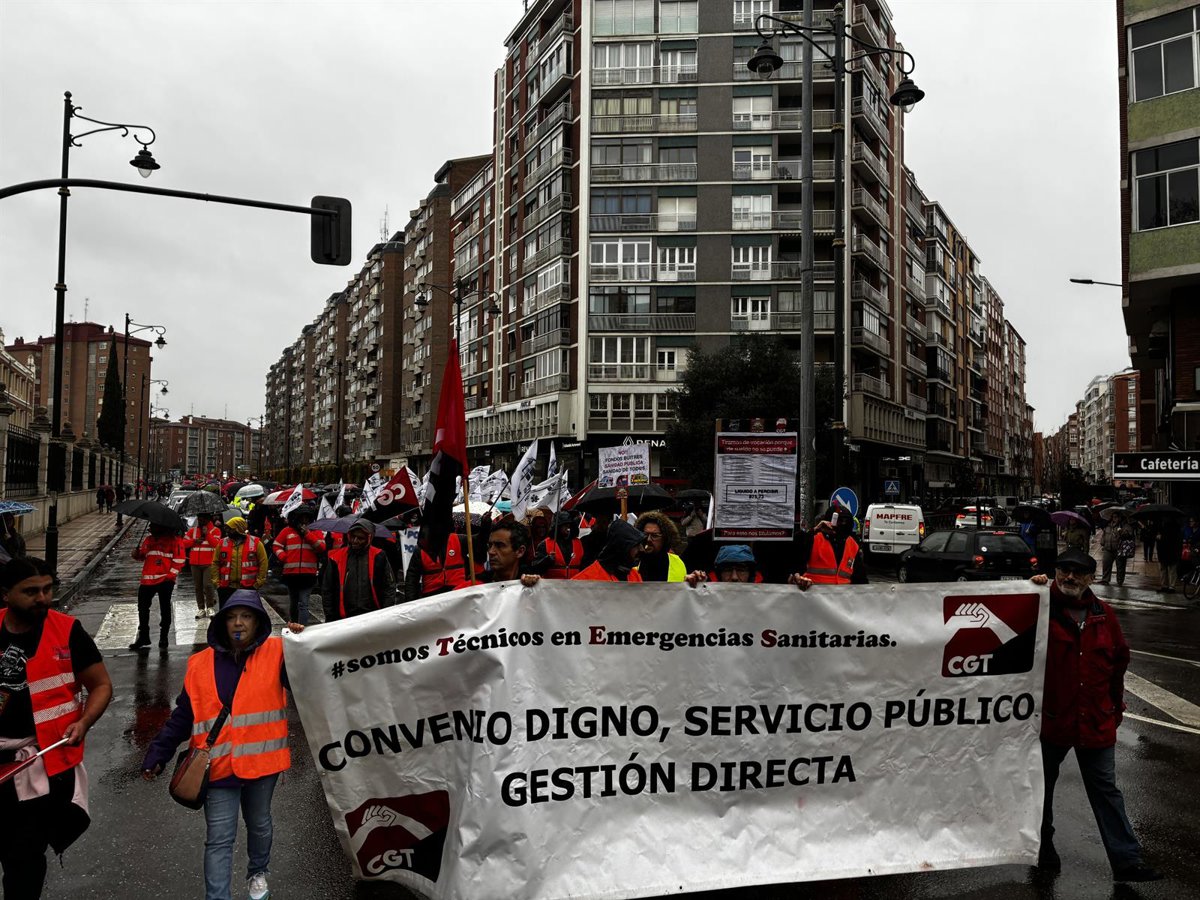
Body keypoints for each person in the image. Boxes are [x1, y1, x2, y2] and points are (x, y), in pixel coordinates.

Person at [142, 591, 302, 900]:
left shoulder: (277, 653)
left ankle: (257, 872)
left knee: (259, 825)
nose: (238, 623)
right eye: (231, 617)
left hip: (261, 763)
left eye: (247, 616)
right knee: (218, 839)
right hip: (215, 766)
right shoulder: (199, 664)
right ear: (222, 623)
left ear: (258, 622)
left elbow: (307, 678)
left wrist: (301, 644)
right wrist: (158, 752)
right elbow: (183, 715)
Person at [1030, 551, 1163, 883]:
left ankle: (1127, 862)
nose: (1070, 577)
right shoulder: (1039, 606)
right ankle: (1042, 848)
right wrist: (1027, 589)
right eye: (1064, 570)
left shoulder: (1104, 615)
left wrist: (1115, 708)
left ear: (1091, 578)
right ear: (1055, 572)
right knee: (1040, 790)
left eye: (1078, 572)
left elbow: (1118, 663)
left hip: (1095, 720)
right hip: (1051, 721)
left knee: (1106, 791)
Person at [0, 557, 113, 897]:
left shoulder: (67, 631)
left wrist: (84, 722)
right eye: (31, 591)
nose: (43, 598)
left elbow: (101, 685)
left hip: (38, 764)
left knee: (24, 857)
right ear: (5, 594)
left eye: (48, 589)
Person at [323, 519, 397, 621]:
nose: (355, 541)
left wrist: (384, 613)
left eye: (360, 538)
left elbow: (389, 586)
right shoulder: (336, 558)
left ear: (369, 539)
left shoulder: (379, 556)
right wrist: (330, 616)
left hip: (373, 616)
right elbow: (327, 589)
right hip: (343, 617)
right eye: (353, 536)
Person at [129, 524, 187, 650]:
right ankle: (144, 636)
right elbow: (143, 556)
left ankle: (163, 636)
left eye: (153, 526)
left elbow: (179, 560)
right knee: (142, 608)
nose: (150, 528)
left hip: (165, 580)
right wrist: (136, 554)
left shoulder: (175, 541)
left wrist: (170, 576)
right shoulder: (149, 540)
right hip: (147, 580)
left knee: (164, 608)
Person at [271, 507, 325, 625]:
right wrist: (283, 557)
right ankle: (294, 625)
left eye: (307, 518)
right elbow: (276, 545)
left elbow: (321, 548)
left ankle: (302, 628)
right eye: (302, 518)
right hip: (291, 574)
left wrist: (308, 534)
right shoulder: (287, 531)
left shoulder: (315, 531)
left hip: (308, 574)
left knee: (303, 603)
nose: (304, 521)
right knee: (294, 603)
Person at [791, 502, 868, 585]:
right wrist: (815, 530)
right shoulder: (814, 538)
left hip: (843, 592)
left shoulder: (852, 544)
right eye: (840, 521)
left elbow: (861, 578)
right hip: (814, 591)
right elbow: (794, 548)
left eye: (845, 521)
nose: (843, 524)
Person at [211, 517, 268, 605]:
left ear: (238, 529)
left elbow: (263, 563)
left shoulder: (256, 543)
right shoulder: (222, 543)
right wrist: (217, 583)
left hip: (248, 588)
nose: (227, 531)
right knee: (227, 613)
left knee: (246, 612)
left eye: (230, 529)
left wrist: (258, 583)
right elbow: (215, 563)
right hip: (226, 588)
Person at [572, 519, 645, 582]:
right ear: (622, 547)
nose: (642, 549)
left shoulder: (634, 575)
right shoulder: (585, 579)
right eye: (636, 545)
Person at [479, 521, 540, 586]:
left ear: (520, 551)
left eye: (500, 545)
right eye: (490, 545)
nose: (491, 552)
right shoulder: (479, 584)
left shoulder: (532, 583)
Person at [186, 513, 223, 619]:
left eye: (202, 519)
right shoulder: (192, 531)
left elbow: (216, 544)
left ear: (207, 520)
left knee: (208, 585)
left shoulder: (215, 530)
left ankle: (210, 606)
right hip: (195, 563)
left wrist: (207, 534)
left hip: (209, 563)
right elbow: (184, 543)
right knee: (198, 587)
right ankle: (201, 608)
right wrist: (194, 541)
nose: (200, 521)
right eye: (199, 519)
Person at [634, 511, 687, 582]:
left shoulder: (677, 563)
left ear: (665, 538)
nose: (648, 539)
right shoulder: (632, 561)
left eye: (655, 535)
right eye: (645, 535)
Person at [536, 512, 586, 579]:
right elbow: (536, 568)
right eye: (565, 525)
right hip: (552, 584)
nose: (568, 527)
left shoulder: (579, 543)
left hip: (575, 583)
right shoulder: (544, 544)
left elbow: (585, 565)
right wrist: (547, 560)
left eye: (569, 525)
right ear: (558, 526)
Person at [1098, 511, 1136, 587]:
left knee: (1120, 566)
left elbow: (1129, 534)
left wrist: (1121, 530)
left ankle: (1120, 581)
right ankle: (1105, 579)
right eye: (1113, 517)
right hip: (1108, 548)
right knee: (1106, 564)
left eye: (1116, 517)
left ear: (1120, 517)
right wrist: (1102, 542)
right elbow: (1104, 534)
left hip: (1119, 549)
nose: (1114, 518)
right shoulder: (1108, 525)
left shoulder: (1124, 525)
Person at [1155, 516, 1182, 594]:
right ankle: (1166, 586)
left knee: (1171, 569)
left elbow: (1173, 539)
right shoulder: (1161, 525)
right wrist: (1158, 536)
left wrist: (1160, 537)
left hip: (1171, 551)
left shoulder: (1174, 527)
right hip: (1164, 551)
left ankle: (1170, 587)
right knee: (1165, 569)